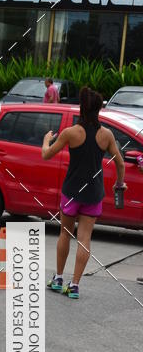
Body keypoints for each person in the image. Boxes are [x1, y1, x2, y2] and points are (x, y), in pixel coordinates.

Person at [41, 86, 125, 299]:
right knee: (84, 239)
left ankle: (58, 279)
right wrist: (119, 184)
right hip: (94, 194)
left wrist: (45, 140)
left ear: (81, 108)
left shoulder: (71, 133)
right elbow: (120, 163)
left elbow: (46, 155)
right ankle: (75, 285)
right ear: (99, 110)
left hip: (71, 192)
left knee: (65, 234)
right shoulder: (106, 134)